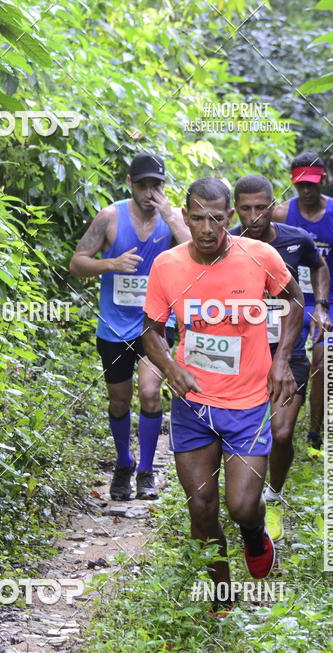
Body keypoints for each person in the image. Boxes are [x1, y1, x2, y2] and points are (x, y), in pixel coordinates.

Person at [142, 177, 304, 602]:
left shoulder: (260, 256)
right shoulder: (168, 266)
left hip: (248, 402)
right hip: (193, 405)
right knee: (201, 507)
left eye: (217, 218)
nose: (208, 228)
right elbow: (151, 332)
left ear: (229, 217)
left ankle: (254, 533)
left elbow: (292, 300)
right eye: (198, 218)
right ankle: (221, 594)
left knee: (241, 506)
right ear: (185, 217)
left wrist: (282, 359)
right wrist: (170, 367)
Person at [69, 152, 189, 500]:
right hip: (114, 327)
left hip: (155, 324)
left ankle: (146, 471)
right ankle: (124, 464)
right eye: (142, 185)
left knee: (151, 394)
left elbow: (195, 250)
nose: (149, 192)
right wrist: (111, 263)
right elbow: (77, 263)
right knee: (119, 401)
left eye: (156, 185)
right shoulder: (109, 217)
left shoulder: (171, 217)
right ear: (129, 184)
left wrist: (170, 213)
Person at [230, 174, 330, 541]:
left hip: (288, 350)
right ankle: (243, 499)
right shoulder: (229, 244)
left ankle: (274, 496)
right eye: (245, 209)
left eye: (261, 207)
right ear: (235, 210)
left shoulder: (296, 239)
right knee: (246, 433)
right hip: (244, 354)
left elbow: (318, 265)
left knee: (282, 431)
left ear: (274, 205)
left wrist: (319, 305)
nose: (254, 216)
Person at [273, 151, 333, 454]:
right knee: (285, 359)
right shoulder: (282, 214)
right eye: (300, 185)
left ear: (323, 179)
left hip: (327, 300)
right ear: (293, 183)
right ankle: (280, 420)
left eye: (311, 184)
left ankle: (315, 430)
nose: (306, 192)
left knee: (321, 364)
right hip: (290, 300)